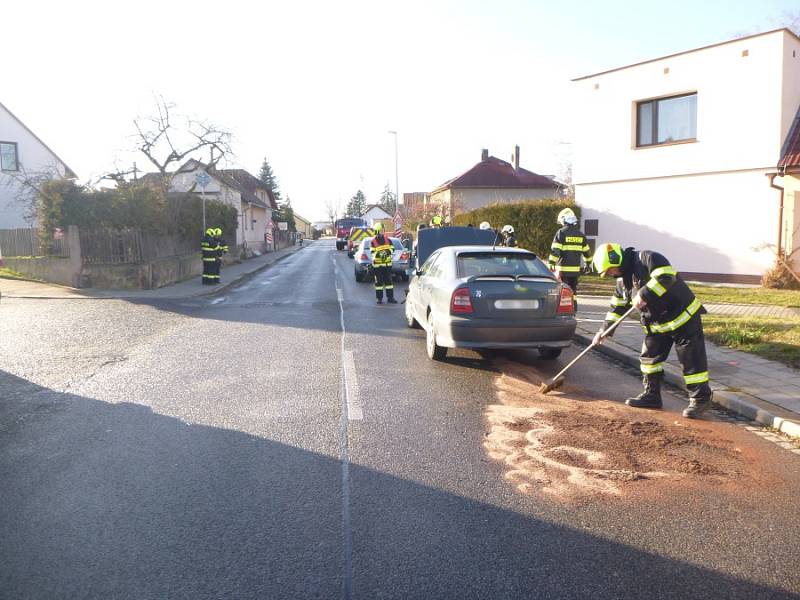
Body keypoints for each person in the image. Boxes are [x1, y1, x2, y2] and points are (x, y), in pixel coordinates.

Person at [591, 243, 713, 419]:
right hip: (657, 325)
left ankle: (701, 400)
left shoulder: (647, 258)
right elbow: (616, 309)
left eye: (610, 270)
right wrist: (603, 331)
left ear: (616, 260)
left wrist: (644, 293)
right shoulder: (622, 281)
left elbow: (666, 277)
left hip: (683, 319)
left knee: (691, 361)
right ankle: (652, 395)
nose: (610, 275)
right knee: (649, 360)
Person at [548, 208, 592, 296]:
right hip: (575, 271)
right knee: (573, 291)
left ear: (564, 220)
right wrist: (588, 264)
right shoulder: (580, 235)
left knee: (563, 291)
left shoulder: (561, 233)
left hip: (562, 271)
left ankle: (565, 308)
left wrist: (551, 263)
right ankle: (574, 307)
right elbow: (587, 253)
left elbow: (555, 251)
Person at [370, 223, 397, 304]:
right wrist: (380, 254)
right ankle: (379, 299)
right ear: (377, 231)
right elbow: (372, 252)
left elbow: (392, 249)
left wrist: (387, 253)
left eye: (383, 230)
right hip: (377, 266)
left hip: (387, 265)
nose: (383, 232)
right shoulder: (373, 241)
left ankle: (390, 298)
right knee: (379, 283)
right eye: (381, 230)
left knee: (389, 282)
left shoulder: (388, 240)